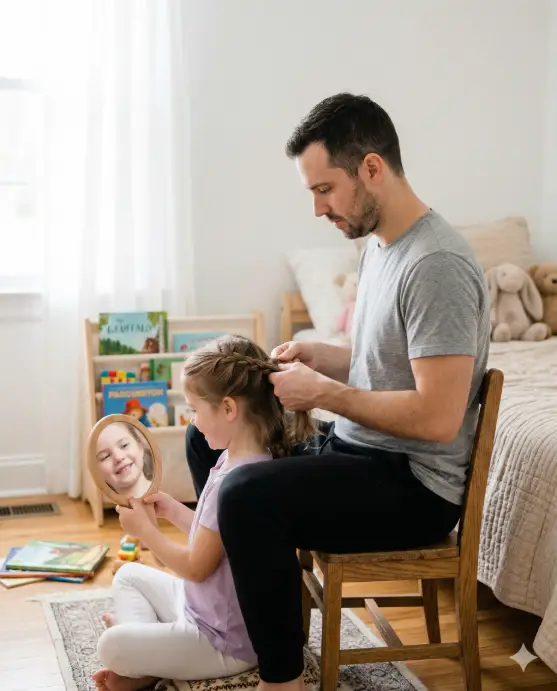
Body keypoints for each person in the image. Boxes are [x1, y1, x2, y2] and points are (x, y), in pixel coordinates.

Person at [185, 93, 491, 691]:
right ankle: (233, 612)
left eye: (324, 189)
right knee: (208, 440)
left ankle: (283, 679)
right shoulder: (380, 246)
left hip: (412, 484)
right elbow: (393, 365)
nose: (319, 208)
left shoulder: (437, 266)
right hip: (359, 453)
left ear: (371, 168)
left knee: (245, 494)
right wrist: (325, 357)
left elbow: (437, 416)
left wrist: (323, 391)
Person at [92, 335, 315, 691]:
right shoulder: (241, 460)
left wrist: (146, 532)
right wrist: (173, 510)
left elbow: (196, 567)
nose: (192, 421)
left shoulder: (238, 482)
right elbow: (215, 537)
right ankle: (149, 652)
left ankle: (144, 661)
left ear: (228, 409)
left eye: (195, 410)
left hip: (220, 641)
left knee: (110, 646)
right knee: (128, 575)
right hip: (199, 609)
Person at [96, 421, 154, 498]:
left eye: (124, 445)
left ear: (140, 446)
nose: (118, 457)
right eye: (105, 456)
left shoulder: (168, 499)